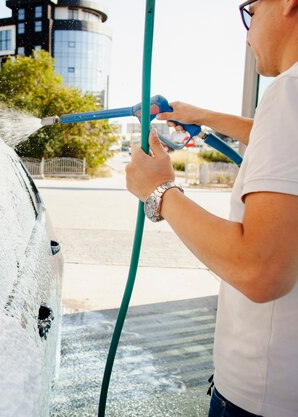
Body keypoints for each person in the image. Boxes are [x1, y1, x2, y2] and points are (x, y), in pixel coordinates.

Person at [125, 0, 298, 416]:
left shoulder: (290, 92)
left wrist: (160, 191)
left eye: (251, 12)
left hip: (263, 396)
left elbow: (259, 270)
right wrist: (197, 115)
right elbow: (278, 139)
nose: (247, 34)